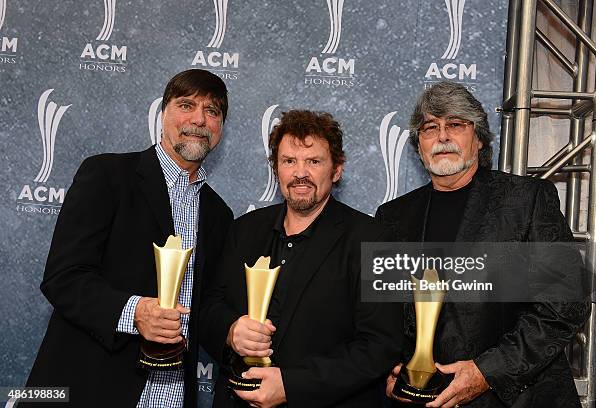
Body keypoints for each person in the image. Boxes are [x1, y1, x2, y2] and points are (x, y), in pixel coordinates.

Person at [25, 69, 234, 408]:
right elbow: (64, 277)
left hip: (172, 395)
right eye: (186, 105)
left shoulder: (220, 215)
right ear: (162, 113)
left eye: (212, 111)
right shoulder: (107, 176)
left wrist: (237, 333)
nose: (199, 118)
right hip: (90, 387)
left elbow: (207, 308)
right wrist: (135, 312)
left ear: (220, 128)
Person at [376, 81, 590, 408]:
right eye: (430, 127)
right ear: (418, 144)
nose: (443, 136)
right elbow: (382, 315)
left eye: (456, 125)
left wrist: (485, 373)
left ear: (478, 138)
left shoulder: (527, 200)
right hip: (419, 399)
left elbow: (566, 303)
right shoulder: (392, 217)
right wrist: (388, 374)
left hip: (514, 399)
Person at [199, 110, 403, 407]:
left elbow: (380, 346)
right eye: (289, 161)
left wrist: (291, 386)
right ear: (276, 169)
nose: (300, 174)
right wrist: (230, 330)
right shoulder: (244, 230)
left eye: (314, 162)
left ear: (337, 170)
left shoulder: (375, 240)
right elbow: (209, 307)